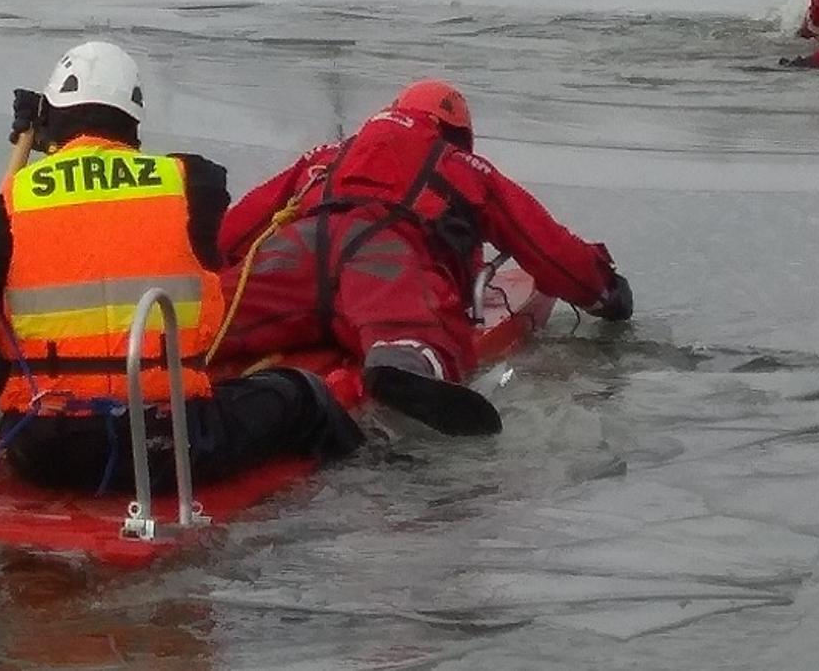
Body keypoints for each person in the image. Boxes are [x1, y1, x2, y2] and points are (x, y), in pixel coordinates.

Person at [0, 41, 362, 492]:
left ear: (51, 119)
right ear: (134, 122)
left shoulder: (15, 204)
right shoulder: (189, 184)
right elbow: (168, 199)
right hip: (171, 441)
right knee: (303, 396)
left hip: (45, 450)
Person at [212, 79, 633, 435]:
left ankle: (176, 355)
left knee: (211, 317)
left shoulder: (326, 156)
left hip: (296, 248)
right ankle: (402, 363)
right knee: (406, 329)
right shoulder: (462, 165)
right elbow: (548, 248)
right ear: (455, 132)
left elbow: (230, 236)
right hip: (385, 252)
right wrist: (606, 292)